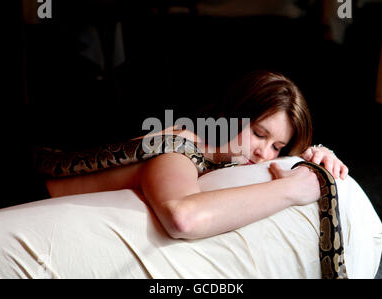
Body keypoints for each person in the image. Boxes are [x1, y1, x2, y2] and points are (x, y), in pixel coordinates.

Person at [45, 70, 348, 240]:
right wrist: (292, 188)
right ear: (232, 116)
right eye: (259, 133)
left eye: (277, 147)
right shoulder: (179, 147)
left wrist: (318, 153)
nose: (263, 153)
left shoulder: (222, 159)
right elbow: (183, 219)